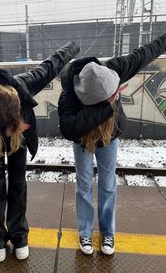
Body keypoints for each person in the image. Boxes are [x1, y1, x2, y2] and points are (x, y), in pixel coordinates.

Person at [0, 41, 80, 262]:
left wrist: (73, 47)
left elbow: (50, 66)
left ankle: (19, 236)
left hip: (18, 139)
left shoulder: (21, 86)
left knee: (17, 184)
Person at [58, 33, 166, 255]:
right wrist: (107, 106)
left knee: (108, 184)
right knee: (84, 185)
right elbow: (69, 129)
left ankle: (107, 232)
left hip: (109, 139)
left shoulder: (113, 69)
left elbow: (144, 53)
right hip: (83, 141)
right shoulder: (69, 95)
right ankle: (85, 232)